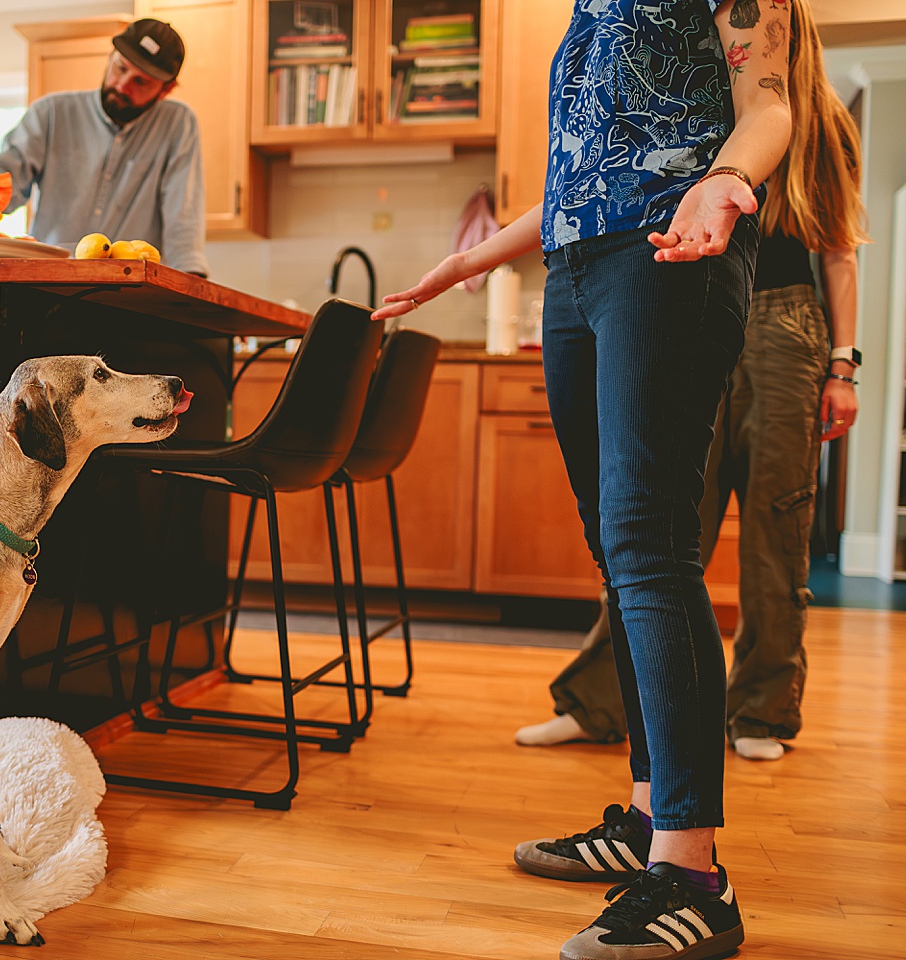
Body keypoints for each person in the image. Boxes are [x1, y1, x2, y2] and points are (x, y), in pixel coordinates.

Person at [374, 2, 792, 959]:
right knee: (618, 549)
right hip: (576, 269)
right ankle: (649, 819)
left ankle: (693, 874)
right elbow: (580, 176)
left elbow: (771, 107)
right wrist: (469, 260)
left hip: (667, 256)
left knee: (649, 545)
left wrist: (725, 182)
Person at [514, 0, 867, 766]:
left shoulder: (817, 119)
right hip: (680, 277)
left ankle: (762, 713)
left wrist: (844, 364)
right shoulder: (683, 96)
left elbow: (839, 249)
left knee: (772, 527)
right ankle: (602, 701)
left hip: (781, 318)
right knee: (661, 526)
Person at [0, 19, 208, 275]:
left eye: (140, 82)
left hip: (130, 291)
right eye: (120, 68)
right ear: (110, 56)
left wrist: (191, 282)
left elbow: (183, 216)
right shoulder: (51, 114)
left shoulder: (177, 125)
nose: (123, 86)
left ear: (166, 90)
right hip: (49, 281)